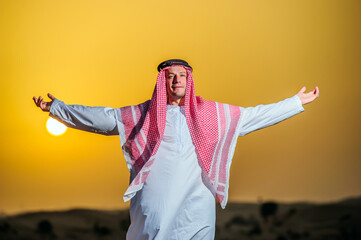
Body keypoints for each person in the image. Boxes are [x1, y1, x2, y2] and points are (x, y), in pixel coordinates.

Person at [33, 59, 319, 239]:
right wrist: (59, 109)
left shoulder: (212, 114)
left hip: (196, 202)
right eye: (170, 76)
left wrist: (294, 103)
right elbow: (104, 118)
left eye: (182, 75)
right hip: (156, 203)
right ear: (163, 81)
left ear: (189, 79)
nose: (176, 80)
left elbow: (252, 116)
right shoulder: (144, 115)